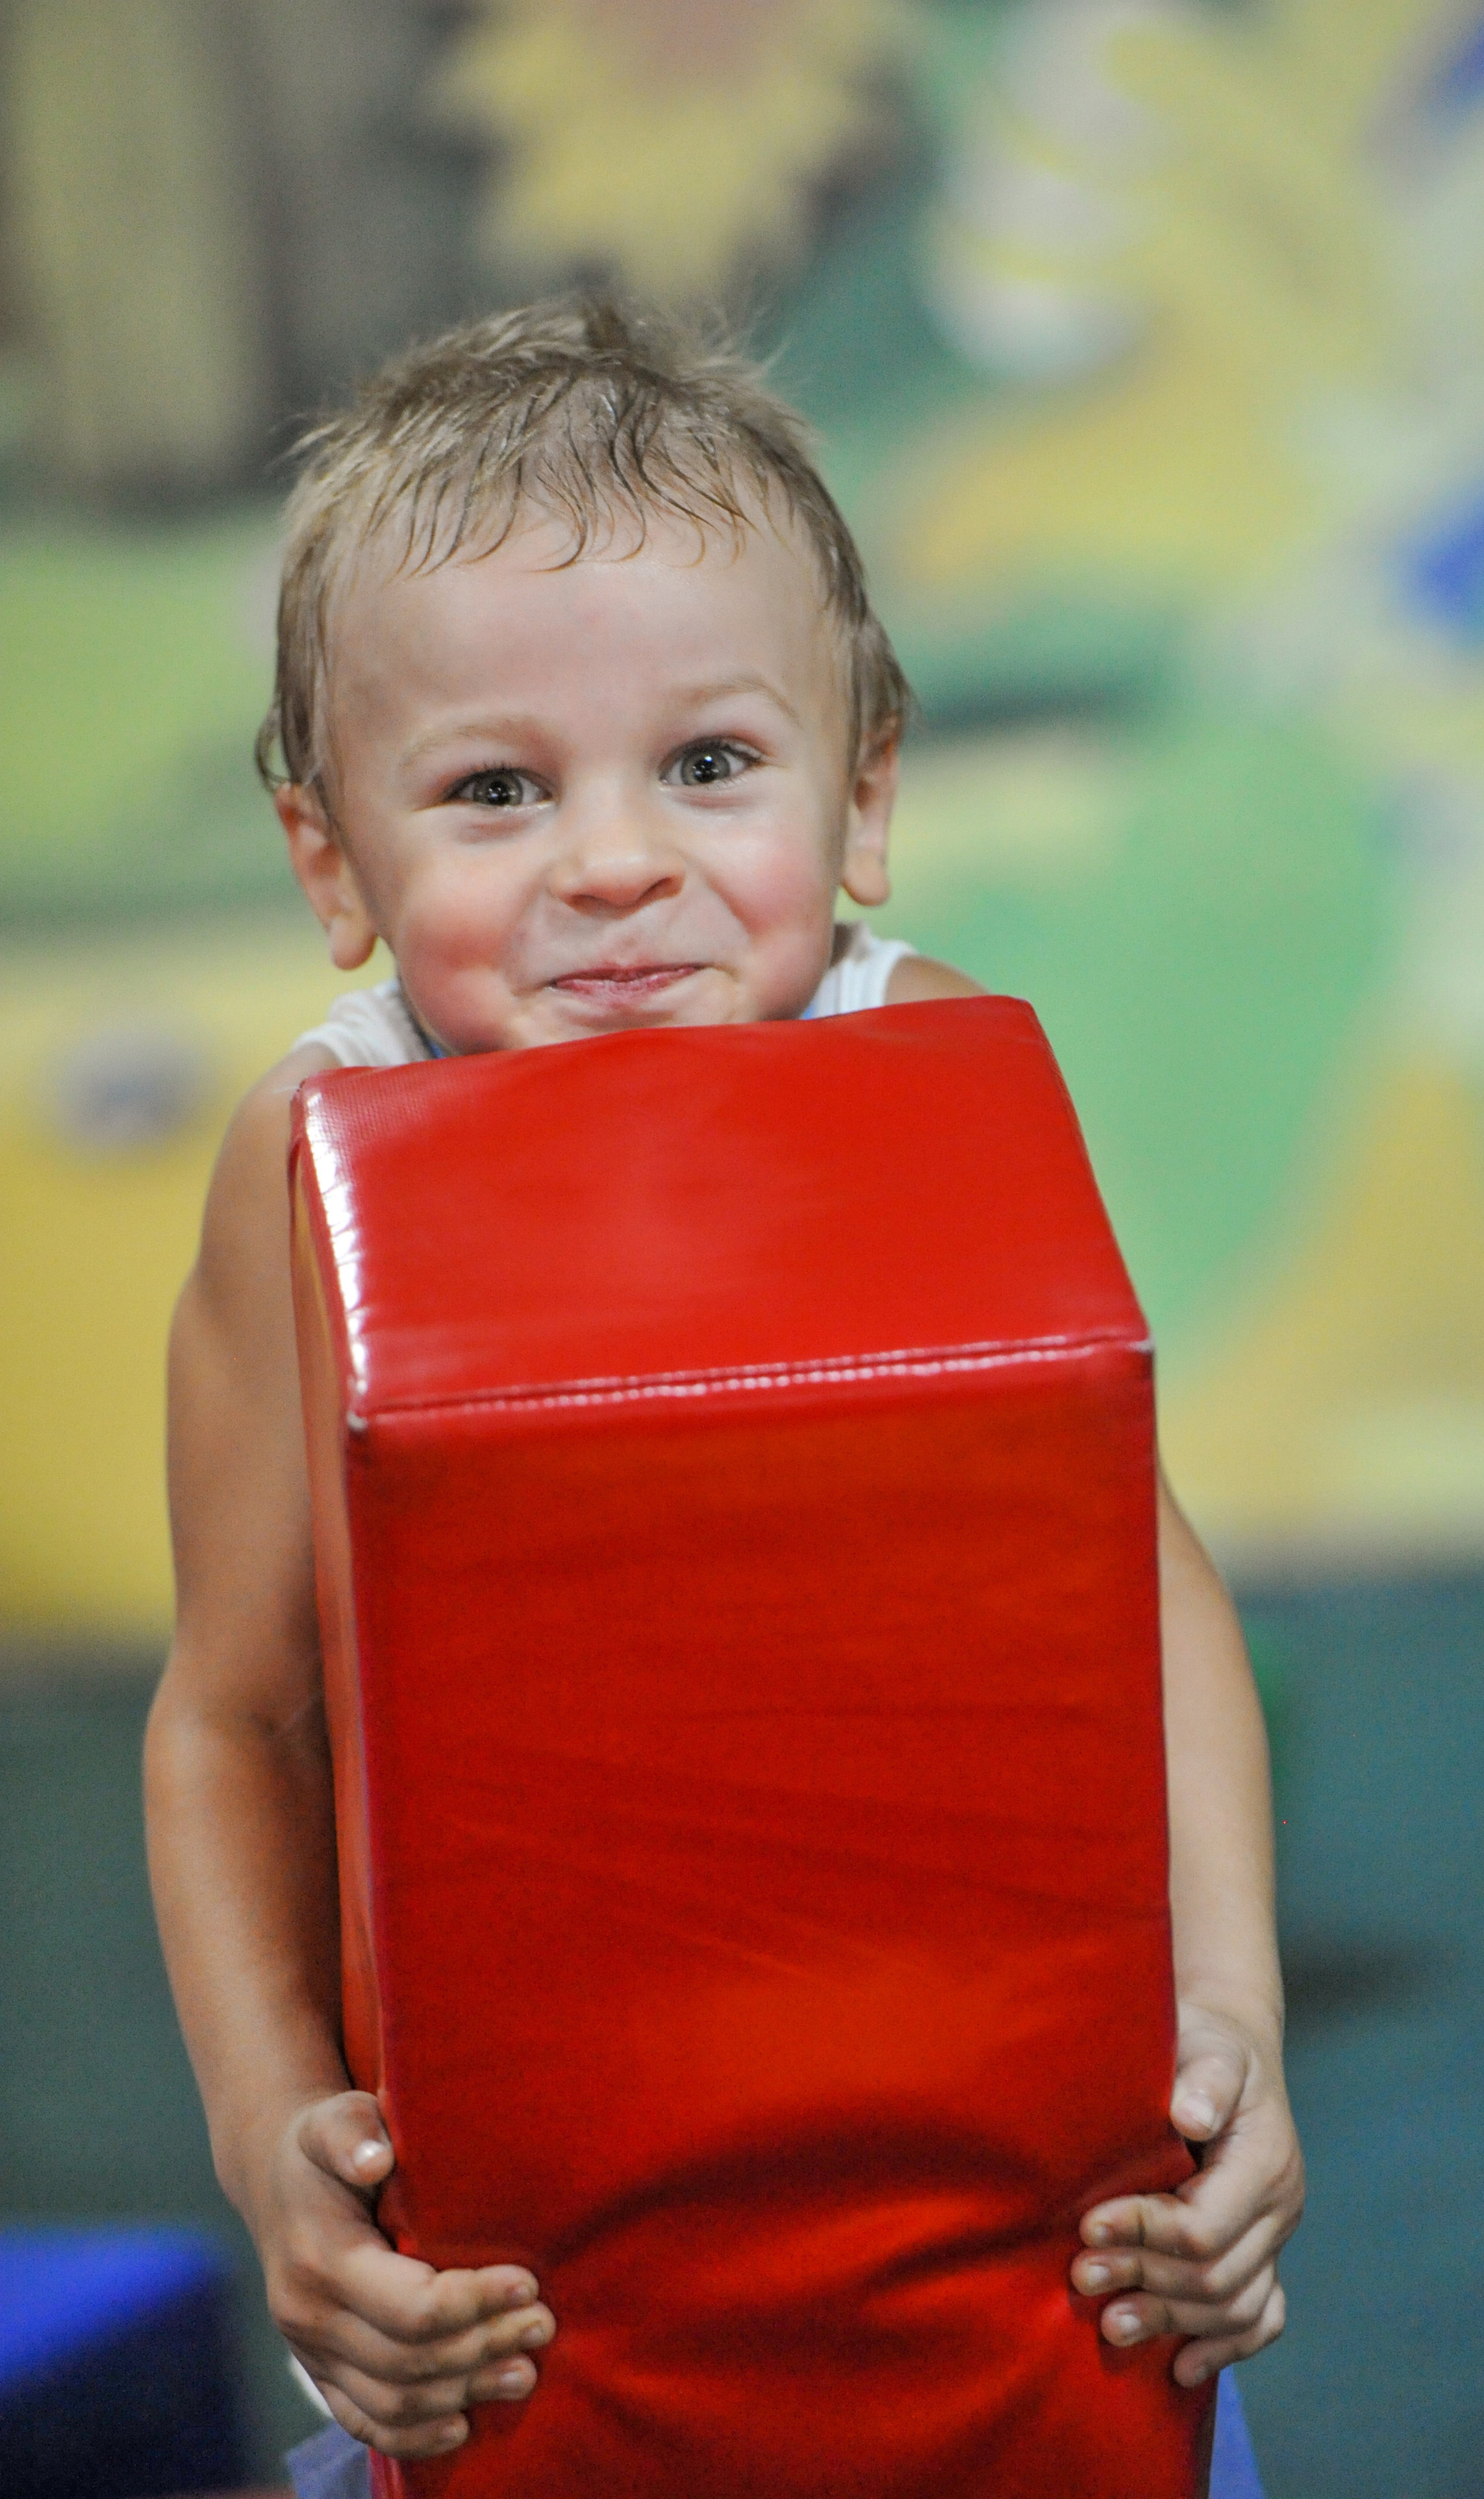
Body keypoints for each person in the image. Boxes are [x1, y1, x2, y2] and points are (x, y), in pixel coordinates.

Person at [144, 300, 1303, 2490]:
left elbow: (1145, 1590)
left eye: (709, 765)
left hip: (993, 2223)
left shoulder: (924, 1058)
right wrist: (274, 2137)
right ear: (330, 860)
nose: (611, 865)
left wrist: (1229, 2013)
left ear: (861, 793)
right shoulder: (311, 1164)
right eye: (495, 789)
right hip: (536, 2285)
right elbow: (232, 1712)